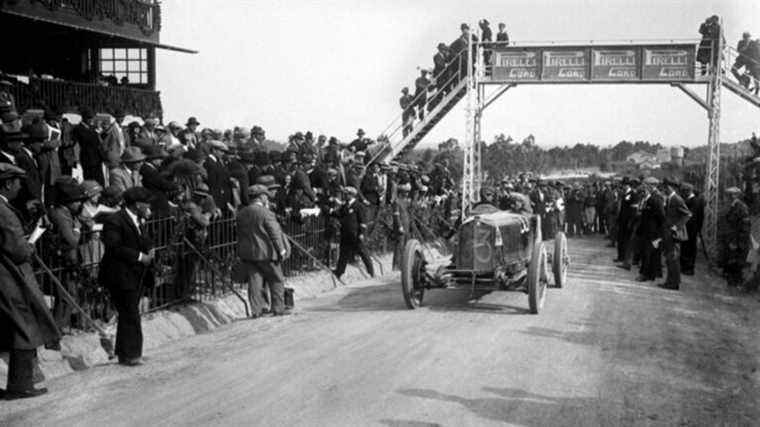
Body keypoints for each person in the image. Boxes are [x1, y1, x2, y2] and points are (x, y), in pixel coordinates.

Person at [0, 163, 60, 399]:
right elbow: (19, 251)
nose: (20, 187)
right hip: (8, 277)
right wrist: (32, 241)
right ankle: (21, 385)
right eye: (17, 182)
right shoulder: (4, 212)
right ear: (7, 184)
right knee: (24, 327)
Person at [99, 187, 156, 366]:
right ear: (138, 204)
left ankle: (125, 352)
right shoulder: (114, 221)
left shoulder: (138, 219)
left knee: (128, 313)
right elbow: (114, 247)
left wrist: (150, 248)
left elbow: (143, 239)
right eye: (145, 203)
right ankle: (131, 354)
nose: (148, 206)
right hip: (119, 274)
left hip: (134, 274)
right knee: (130, 313)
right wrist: (140, 256)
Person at [236, 184, 291, 317]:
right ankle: (278, 308)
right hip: (266, 253)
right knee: (276, 279)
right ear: (261, 197)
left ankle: (256, 311)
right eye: (266, 195)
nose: (267, 198)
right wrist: (282, 250)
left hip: (249, 253)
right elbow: (274, 233)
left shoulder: (241, 213)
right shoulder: (266, 213)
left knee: (254, 281)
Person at [47, 179, 89, 330]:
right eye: (77, 201)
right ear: (67, 201)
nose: (80, 204)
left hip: (69, 260)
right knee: (65, 296)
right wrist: (77, 229)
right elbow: (71, 241)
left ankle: (61, 328)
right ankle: (56, 330)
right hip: (62, 261)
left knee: (69, 295)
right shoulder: (61, 215)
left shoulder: (68, 212)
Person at [332, 186, 375, 279]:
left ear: (351, 195)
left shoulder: (358, 206)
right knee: (343, 254)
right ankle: (339, 272)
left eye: (346, 194)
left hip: (355, 235)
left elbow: (363, 222)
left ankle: (371, 271)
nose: (344, 195)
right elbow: (338, 214)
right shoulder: (345, 206)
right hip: (345, 234)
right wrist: (328, 210)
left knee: (363, 253)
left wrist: (362, 233)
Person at [658, 179, 692, 290]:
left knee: (673, 258)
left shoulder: (677, 199)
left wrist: (676, 227)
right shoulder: (670, 199)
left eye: (666, 187)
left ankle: (674, 283)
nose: (664, 189)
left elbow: (687, 214)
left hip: (673, 234)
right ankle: (670, 281)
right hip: (668, 233)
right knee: (669, 258)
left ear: (671, 187)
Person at [721, 187, 750, 287]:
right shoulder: (732, 206)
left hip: (737, 243)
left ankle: (735, 285)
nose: (727, 197)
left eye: (729, 195)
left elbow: (745, 228)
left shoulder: (742, 208)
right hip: (731, 240)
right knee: (730, 264)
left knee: (736, 265)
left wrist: (736, 243)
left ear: (735, 196)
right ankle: (731, 284)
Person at [73, 108, 105, 185]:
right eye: (89, 118)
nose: (91, 120)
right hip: (88, 158)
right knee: (90, 180)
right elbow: (86, 139)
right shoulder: (79, 128)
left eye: (92, 118)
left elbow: (99, 140)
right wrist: (96, 133)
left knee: (100, 180)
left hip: (97, 158)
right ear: (84, 118)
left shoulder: (92, 128)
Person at [680, 183, 704, 275]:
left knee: (690, 248)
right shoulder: (690, 200)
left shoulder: (695, 201)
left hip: (692, 229)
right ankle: (684, 266)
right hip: (688, 228)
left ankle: (689, 268)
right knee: (685, 248)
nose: (682, 193)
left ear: (688, 191)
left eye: (683, 191)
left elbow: (692, 217)